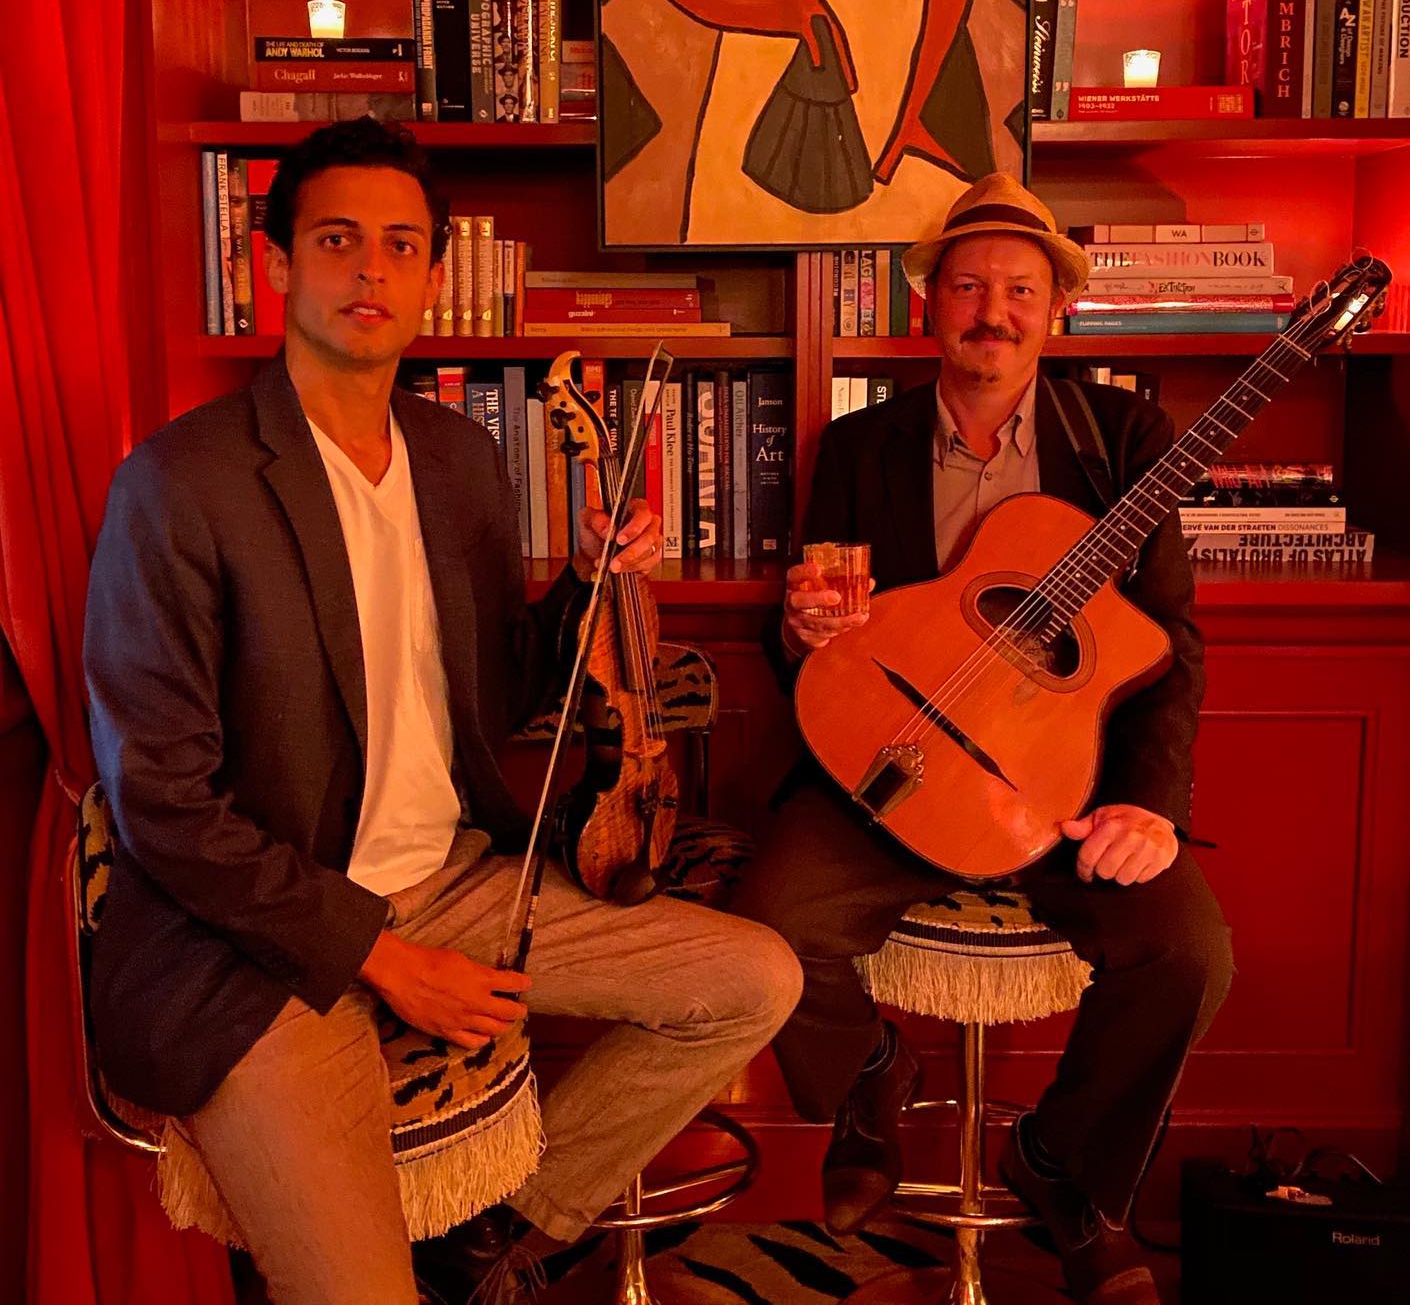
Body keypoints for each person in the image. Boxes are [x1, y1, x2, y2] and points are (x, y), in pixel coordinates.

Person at [83, 118, 802, 1305]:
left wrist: (589, 580)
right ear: (276, 264)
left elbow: (509, 689)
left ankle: (508, 1234)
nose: (372, 271)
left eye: (401, 246)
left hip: (460, 879)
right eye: (338, 240)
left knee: (752, 980)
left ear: (433, 273)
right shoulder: (178, 485)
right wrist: (381, 958)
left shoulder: (460, 458)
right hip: (261, 939)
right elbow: (162, 804)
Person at [732, 173, 1233, 1305]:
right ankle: (870, 1078)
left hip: (1061, 785)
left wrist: (1149, 804)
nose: (990, 311)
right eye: (966, 286)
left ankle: (1068, 1175)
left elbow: (1171, 646)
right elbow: (821, 638)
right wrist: (800, 632)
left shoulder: (1121, 440)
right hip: (893, 771)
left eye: (1018, 288)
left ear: (1054, 310)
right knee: (770, 926)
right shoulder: (859, 444)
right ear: (930, 307)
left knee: (1188, 954)